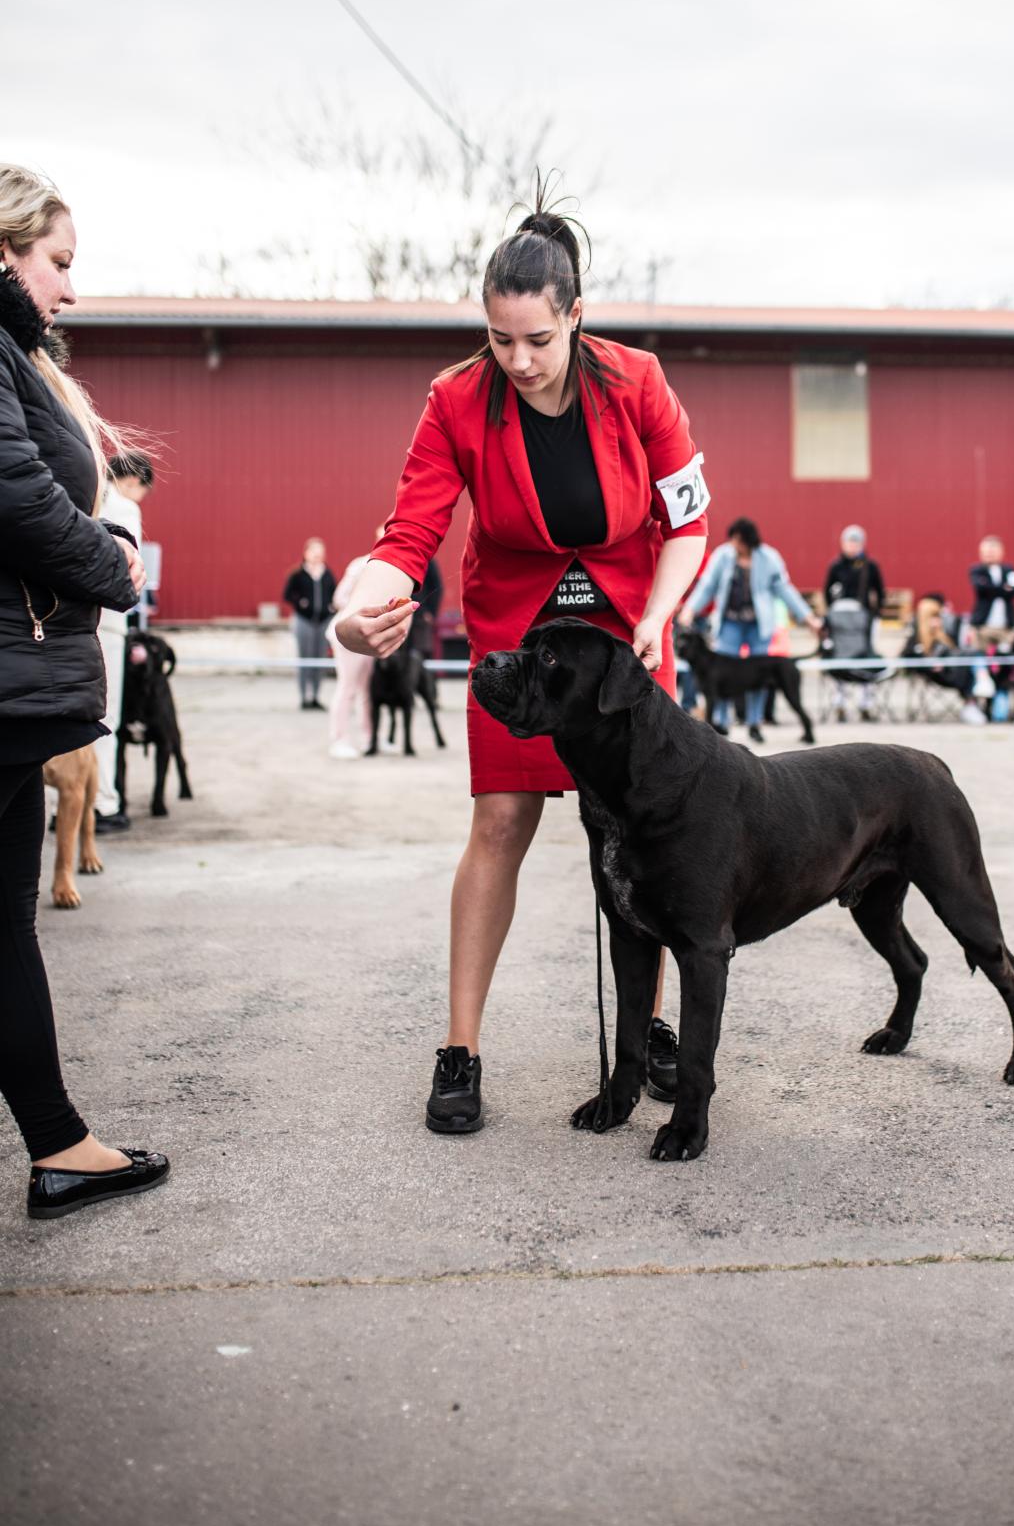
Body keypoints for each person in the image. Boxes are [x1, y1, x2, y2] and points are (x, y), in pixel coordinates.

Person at [335, 194, 709, 1134]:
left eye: (538, 339)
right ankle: (459, 1049)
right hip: (519, 633)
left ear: (575, 315)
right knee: (500, 822)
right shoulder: (456, 398)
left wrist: (657, 618)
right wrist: (357, 613)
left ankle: (650, 1030)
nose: (519, 360)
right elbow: (409, 533)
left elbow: (689, 522)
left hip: (626, 633)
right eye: (500, 339)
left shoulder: (638, 381)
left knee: (650, 833)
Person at [0, 163, 169, 1217]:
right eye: (57, 262)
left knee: (5, 927)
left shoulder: (15, 356)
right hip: (6, 683)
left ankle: (60, 1145)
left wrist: (98, 533)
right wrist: (113, 562)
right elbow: (14, 495)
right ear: (4, 251)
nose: (69, 287)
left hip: (19, 689)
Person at [678, 518, 822, 740]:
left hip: (759, 625)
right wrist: (689, 609)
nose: (734, 544)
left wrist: (809, 618)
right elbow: (707, 586)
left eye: (739, 540)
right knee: (721, 675)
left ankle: (755, 724)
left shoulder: (769, 558)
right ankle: (721, 723)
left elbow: (785, 590)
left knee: (758, 677)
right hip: (730, 623)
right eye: (733, 539)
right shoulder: (723, 556)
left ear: (749, 541)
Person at [93, 451, 153, 831]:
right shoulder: (124, 507)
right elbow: (127, 571)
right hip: (107, 622)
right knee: (104, 717)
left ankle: (61, 805)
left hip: (64, 622)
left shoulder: (79, 496)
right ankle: (103, 803)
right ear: (134, 481)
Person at [823, 525, 885, 722]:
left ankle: (866, 703)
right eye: (849, 542)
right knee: (840, 660)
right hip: (841, 624)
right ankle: (840, 703)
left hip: (864, 622)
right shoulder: (836, 566)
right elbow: (827, 592)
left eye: (856, 542)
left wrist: (875, 614)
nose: (852, 546)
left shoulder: (870, 566)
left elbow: (879, 592)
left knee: (866, 659)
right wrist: (833, 616)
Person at [901, 594, 986, 725]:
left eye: (939, 617)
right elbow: (908, 659)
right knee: (968, 663)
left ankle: (978, 686)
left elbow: (953, 651)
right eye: (934, 617)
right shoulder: (916, 638)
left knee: (971, 656)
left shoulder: (943, 636)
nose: (938, 621)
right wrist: (929, 664)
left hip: (951, 670)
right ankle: (975, 693)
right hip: (937, 675)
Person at [326, 547, 376, 759]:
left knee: (367, 690)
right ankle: (339, 740)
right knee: (347, 687)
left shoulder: (390, 568)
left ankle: (370, 739)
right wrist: (365, 610)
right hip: (348, 631)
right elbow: (339, 598)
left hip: (369, 633)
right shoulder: (361, 564)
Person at [283, 538, 336, 710]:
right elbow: (288, 595)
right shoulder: (298, 574)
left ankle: (315, 696)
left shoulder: (327, 574)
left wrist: (330, 608)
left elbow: (334, 594)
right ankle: (304, 696)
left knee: (319, 658)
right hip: (304, 621)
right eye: (314, 552)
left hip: (323, 622)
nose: (317, 555)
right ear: (306, 553)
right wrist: (301, 603)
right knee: (305, 658)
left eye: (320, 552)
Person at [968, 535, 1014, 633]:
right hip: (982, 626)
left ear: (1001, 552)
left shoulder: (1009, 570)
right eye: (986, 551)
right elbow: (982, 588)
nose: (989, 554)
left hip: (1006, 626)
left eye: (992, 551)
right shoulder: (976, 570)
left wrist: (992, 588)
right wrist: (1005, 588)